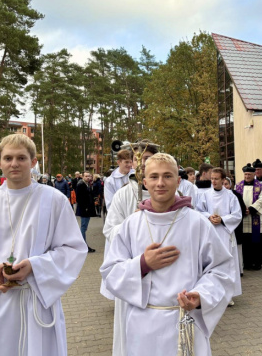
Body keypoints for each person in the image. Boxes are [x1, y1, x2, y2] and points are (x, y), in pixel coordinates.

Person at [0, 134, 87, 356]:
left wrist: (35, 266)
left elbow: (73, 249)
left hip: (36, 301)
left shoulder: (54, 200)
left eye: (21, 158)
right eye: (8, 158)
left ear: (33, 162)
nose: (14, 164)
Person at [100, 153, 235, 356]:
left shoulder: (197, 223)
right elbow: (110, 272)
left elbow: (222, 269)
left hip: (184, 320)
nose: (160, 183)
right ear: (144, 181)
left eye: (168, 176)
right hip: (142, 326)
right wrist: (143, 264)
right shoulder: (132, 224)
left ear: (179, 181)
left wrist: (200, 296)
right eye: (154, 177)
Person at [102, 140, 159, 356]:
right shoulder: (123, 195)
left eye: (146, 159)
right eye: (137, 159)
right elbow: (109, 230)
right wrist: (132, 223)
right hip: (133, 270)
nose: (142, 163)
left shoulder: (168, 192)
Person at [196, 167, 242, 303]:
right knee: (212, 264)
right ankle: (212, 294)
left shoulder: (230, 196)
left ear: (223, 180)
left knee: (226, 264)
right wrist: (209, 216)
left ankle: (228, 295)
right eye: (212, 179)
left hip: (224, 233)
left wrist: (222, 219)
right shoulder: (205, 195)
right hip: (210, 233)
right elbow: (198, 211)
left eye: (216, 179)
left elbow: (237, 215)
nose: (213, 181)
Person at [235, 163, 262, 270]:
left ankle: (257, 262)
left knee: (256, 241)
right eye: (245, 174)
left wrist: (252, 209)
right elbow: (235, 200)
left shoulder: (260, 185)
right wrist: (243, 210)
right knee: (246, 241)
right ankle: (247, 263)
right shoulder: (238, 186)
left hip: (255, 216)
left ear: (253, 174)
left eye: (249, 174)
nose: (247, 176)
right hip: (243, 217)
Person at [224, 177, 247, 278]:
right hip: (223, 226)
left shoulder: (236, 195)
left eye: (227, 184)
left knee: (237, 248)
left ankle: (239, 269)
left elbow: (241, 210)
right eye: (223, 184)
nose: (225, 186)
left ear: (230, 185)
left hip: (235, 226)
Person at [76, 171, 97, 253]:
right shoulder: (81, 184)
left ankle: (82, 245)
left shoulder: (87, 184)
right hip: (84, 209)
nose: (88, 177)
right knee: (83, 227)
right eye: (86, 176)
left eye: (89, 176)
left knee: (84, 227)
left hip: (87, 209)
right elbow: (79, 198)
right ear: (83, 177)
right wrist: (85, 207)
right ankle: (83, 245)